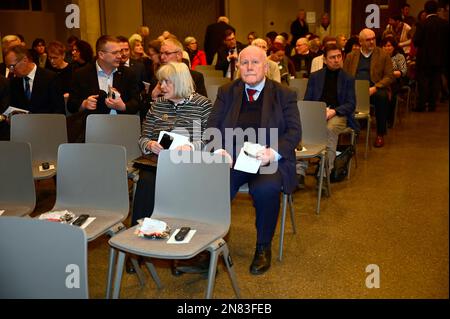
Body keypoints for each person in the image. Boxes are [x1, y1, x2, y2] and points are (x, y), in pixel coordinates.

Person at [206, 45, 301, 275]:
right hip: (233, 157)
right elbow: (212, 127)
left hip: (267, 158)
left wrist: (273, 152)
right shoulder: (227, 91)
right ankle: (209, 245)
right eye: (244, 62)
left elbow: (294, 132)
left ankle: (263, 246)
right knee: (215, 184)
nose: (249, 67)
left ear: (265, 67)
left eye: (255, 62)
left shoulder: (284, 94)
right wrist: (218, 149)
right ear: (238, 67)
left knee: (266, 189)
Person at [130, 62, 212, 273]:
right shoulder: (157, 105)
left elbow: (210, 139)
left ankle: (187, 247)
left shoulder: (202, 105)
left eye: (167, 81)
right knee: (147, 181)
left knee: (182, 185)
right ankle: (138, 247)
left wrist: (191, 147)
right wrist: (149, 145)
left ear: (180, 82)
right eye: (160, 81)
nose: (162, 86)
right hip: (160, 162)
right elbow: (142, 137)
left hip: (190, 163)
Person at [297, 44, 357, 189]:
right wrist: (317, 112)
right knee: (302, 129)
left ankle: (323, 175)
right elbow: (308, 100)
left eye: (338, 56)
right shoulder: (315, 77)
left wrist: (334, 111)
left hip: (339, 114)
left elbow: (351, 104)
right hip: (317, 114)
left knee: (329, 130)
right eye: (332, 57)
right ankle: (299, 172)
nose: (336, 60)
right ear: (325, 59)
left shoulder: (348, 78)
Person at [67, 35, 140, 142]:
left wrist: (123, 106)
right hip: (91, 131)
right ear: (101, 54)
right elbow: (71, 105)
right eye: (115, 53)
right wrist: (84, 104)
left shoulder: (128, 74)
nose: (120, 56)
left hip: (121, 129)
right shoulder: (81, 74)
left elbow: (137, 103)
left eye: (120, 52)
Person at [343, 28, 394, 148]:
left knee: (382, 97)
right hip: (355, 89)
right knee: (342, 96)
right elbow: (344, 75)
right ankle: (350, 129)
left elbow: (389, 76)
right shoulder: (351, 56)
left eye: (373, 39)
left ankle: (380, 134)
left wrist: (375, 87)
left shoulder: (383, 55)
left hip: (375, 88)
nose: (371, 42)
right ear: (360, 42)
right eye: (368, 40)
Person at [5, 45, 65, 115]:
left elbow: (59, 110)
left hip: (47, 123)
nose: (11, 71)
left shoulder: (50, 78)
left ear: (25, 60)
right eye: (8, 67)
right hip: (23, 125)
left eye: (12, 66)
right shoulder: (14, 82)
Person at [413, 0, 449, 112]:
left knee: (423, 82)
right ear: (437, 10)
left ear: (426, 10)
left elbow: (416, 41)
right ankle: (432, 105)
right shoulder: (445, 24)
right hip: (439, 57)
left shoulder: (422, 24)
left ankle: (421, 105)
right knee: (435, 81)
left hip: (424, 58)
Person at [381, 36, 407, 127]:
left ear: (394, 47)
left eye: (389, 46)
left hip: (395, 81)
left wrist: (390, 73)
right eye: (384, 46)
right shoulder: (379, 56)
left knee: (390, 93)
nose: (387, 48)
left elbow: (403, 71)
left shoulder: (399, 56)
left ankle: (389, 120)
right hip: (381, 81)